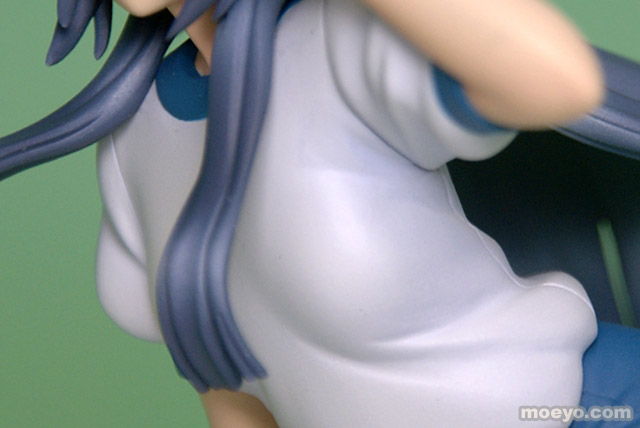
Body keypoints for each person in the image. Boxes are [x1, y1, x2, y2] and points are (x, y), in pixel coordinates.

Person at [3, 0, 635, 427]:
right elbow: (232, 388)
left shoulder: (340, 42)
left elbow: (556, 81)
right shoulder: (135, 134)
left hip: (573, 409)